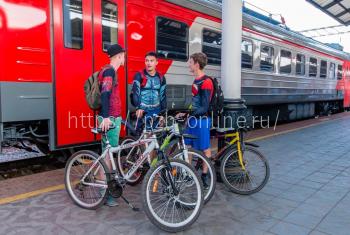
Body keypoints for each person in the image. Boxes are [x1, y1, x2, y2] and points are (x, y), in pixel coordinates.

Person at [177, 52, 213, 189]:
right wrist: (186, 113)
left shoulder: (207, 82)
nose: (189, 65)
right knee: (188, 146)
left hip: (202, 120)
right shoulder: (196, 81)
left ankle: (204, 175)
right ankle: (188, 173)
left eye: (190, 62)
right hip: (193, 120)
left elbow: (204, 107)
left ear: (197, 64)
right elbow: (194, 103)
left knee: (205, 149)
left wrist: (188, 114)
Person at [98, 44, 125, 207]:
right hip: (110, 119)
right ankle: (104, 193)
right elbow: (105, 93)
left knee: (106, 155)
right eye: (123, 55)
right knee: (107, 157)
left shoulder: (109, 70)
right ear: (119, 56)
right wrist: (107, 117)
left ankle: (100, 186)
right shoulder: (109, 71)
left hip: (114, 117)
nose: (124, 59)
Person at [131, 52, 166, 131]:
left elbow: (163, 96)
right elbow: (135, 93)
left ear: (156, 62)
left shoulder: (161, 77)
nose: (148, 63)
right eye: (146, 61)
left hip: (156, 111)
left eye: (151, 61)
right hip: (143, 111)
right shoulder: (139, 75)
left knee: (156, 137)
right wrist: (138, 108)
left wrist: (163, 114)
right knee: (142, 138)